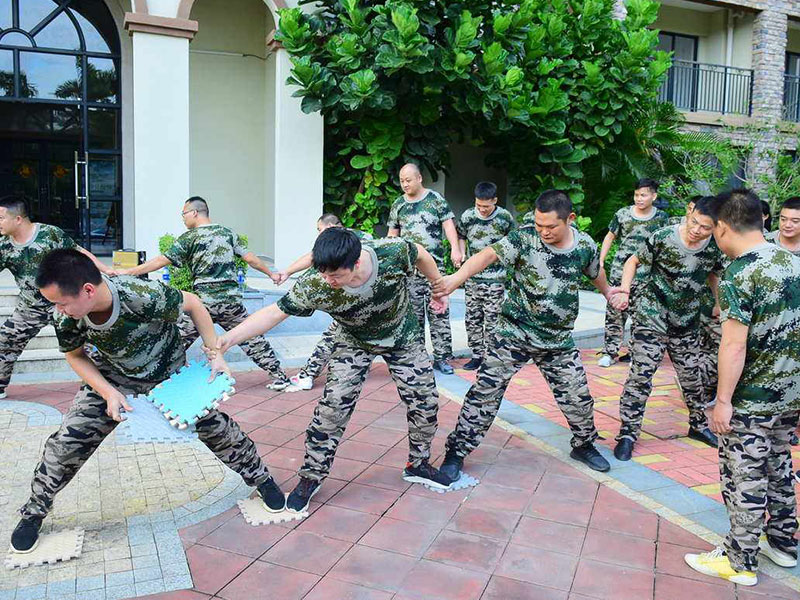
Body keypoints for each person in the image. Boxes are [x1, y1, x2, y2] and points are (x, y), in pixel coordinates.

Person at [10, 249, 285, 553]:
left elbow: (194, 304)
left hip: (168, 376)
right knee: (67, 442)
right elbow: (75, 356)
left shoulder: (140, 295)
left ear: (88, 290)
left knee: (218, 430)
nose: (58, 310)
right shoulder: (66, 318)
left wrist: (214, 353)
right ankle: (34, 511)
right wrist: (108, 392)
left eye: (61, 302)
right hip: (113, 377)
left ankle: (261, 480)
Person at [211, 228, 452, 513]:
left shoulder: (392, 253)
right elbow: (274, 313)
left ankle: (418, 464)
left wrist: (438, 285)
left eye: (335, 275)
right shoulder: (316, 283)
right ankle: (311, 477)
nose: (328, 281)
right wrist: (228, 339)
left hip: (403, 338)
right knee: (332, 409)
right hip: (353, 342)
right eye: (323, 274)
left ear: (356, 263)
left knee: (425, 401)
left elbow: (420, 253)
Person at [434, 190, 617, 478]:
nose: (543, 232)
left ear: (570, 219)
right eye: (539, 224)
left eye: (551, 226)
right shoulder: (524, 238)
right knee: (485, 393)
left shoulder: (584, 246)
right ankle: (456, 452)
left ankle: (584, 445)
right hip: (514, 333)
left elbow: (595, 272)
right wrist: (456, 279)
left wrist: (608, 293)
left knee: (577, 396)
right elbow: (488, 254)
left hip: (557, 339)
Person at [684, 189, 800, 587]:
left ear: (722, 227)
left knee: (743, 476)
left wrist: (722, 401)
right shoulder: (792, 262)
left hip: (752, 399)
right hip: (790, 395)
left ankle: (740, 560)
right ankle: (783, 544)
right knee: (779, 467)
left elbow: (733, 344)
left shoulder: (741, 272)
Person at [119, 197, 290, 390]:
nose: (183, 219)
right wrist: (271, 274)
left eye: (183, 214)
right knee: (252, 338)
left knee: (172, 341)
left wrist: (129, 271)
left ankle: (147, 381)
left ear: (194, 213)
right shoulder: (227, 233)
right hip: (230, 303)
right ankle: (280, 377)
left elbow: (160, 261)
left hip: (203, 306)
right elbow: (251, 259)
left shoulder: (189, 237)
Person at [611, 197, 723, 461]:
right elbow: (632, 261)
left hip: (687, 323)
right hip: (652, 317)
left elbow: (713, 274)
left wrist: (719, 304)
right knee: (641, 376)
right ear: (689, 213)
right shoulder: (663, 237)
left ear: (716, 227)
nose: (696, 230)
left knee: (693, 378)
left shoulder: (715, 247)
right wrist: (625, 289)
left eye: (705, 227)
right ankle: (627, 433)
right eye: (694, 222)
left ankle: (698, 426)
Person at [0, 195, 112, 400]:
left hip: (64, 303)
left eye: (1, 218)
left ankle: (103, 387)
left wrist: (105, 270)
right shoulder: (3, 246)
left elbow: (79, 253)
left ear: (18, 219)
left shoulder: (50, 234)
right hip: (30, 307)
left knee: (91, 345)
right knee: (5, 340)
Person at [273, 213, 373, 392]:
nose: (319, 234)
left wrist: (287, 272)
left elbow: (312, 257)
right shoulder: (361, 237)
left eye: (320, 229)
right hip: (365, 299)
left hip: (357, 302)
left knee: (332, 336)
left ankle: (307, 375)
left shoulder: (345, 243)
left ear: (332, 226)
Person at [387, 163, 461, 374]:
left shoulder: (435, 199)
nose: (405, 184)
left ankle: (442, 358)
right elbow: (392, 234)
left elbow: (448, 225)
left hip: (435, 271)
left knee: (439, 314)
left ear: (419, 178)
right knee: (413, 316)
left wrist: (455, 249)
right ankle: (417, 357)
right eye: (402, 180)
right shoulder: (398, 204)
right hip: (409, 271)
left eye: (408, 180)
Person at [597, 179, 670, 367]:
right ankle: (609, 352)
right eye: (636, 194)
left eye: (643, 195)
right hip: (619, 272)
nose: (639, 198)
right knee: (614, 314)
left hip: (646, 274)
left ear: (654, 196)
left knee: (641, 316)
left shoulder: (662, 218)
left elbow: (665, 244)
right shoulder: (622, 214)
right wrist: (601, 260)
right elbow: (610, 237)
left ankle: (635, 353)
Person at [457, 181, 516, 371]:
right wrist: (461, 253)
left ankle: (491, 356)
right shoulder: (468, 216)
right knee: (472, 319)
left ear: (495, 201)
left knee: (493, 319)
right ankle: (476, 355)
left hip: (495, 278)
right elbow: (461, 236)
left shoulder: (504, 218)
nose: (482, 210)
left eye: (486, 206)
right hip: (472, 277)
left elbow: (513, 241)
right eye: (479, 205)